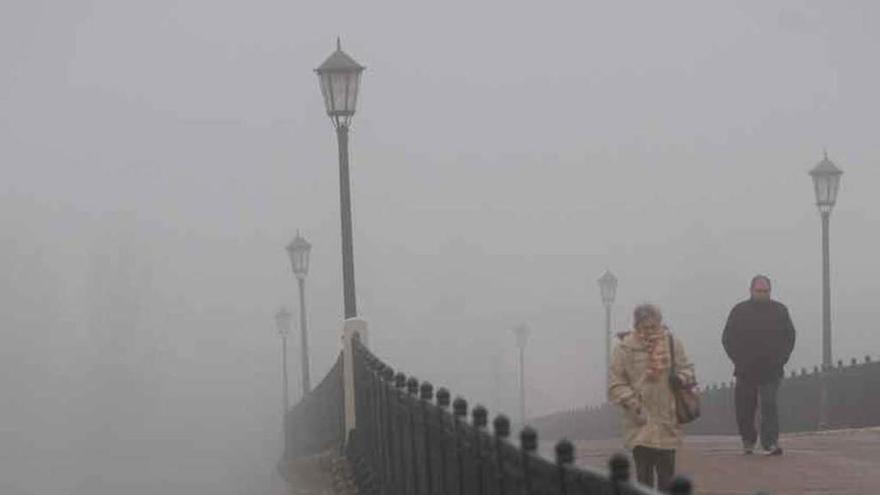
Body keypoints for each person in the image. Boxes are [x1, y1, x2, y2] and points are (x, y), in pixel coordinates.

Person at [608, 304, 696, 492]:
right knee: (643, 478)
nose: (649, 331)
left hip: (667, 418)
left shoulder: (672, 344)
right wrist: (632, 402)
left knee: (667, 477)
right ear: (637, 325)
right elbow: (616, 384)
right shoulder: (624, 349)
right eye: (644, 327)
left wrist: (680, 378)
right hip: (639, 421)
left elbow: (688, 370)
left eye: (653, 326)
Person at [722, 275, 796, 456]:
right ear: (751, 290)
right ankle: (748, 440)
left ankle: (770, 442)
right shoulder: (739, 311)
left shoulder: (780, 310)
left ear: (770, 291)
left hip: (772, 369)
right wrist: (738, 360)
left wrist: (782, 359)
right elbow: (727, 338)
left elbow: (790, 337)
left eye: (765, 291)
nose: (762, 294)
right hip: (746, 369)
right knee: (746, 407)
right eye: (759, 291)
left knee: (769, 405)